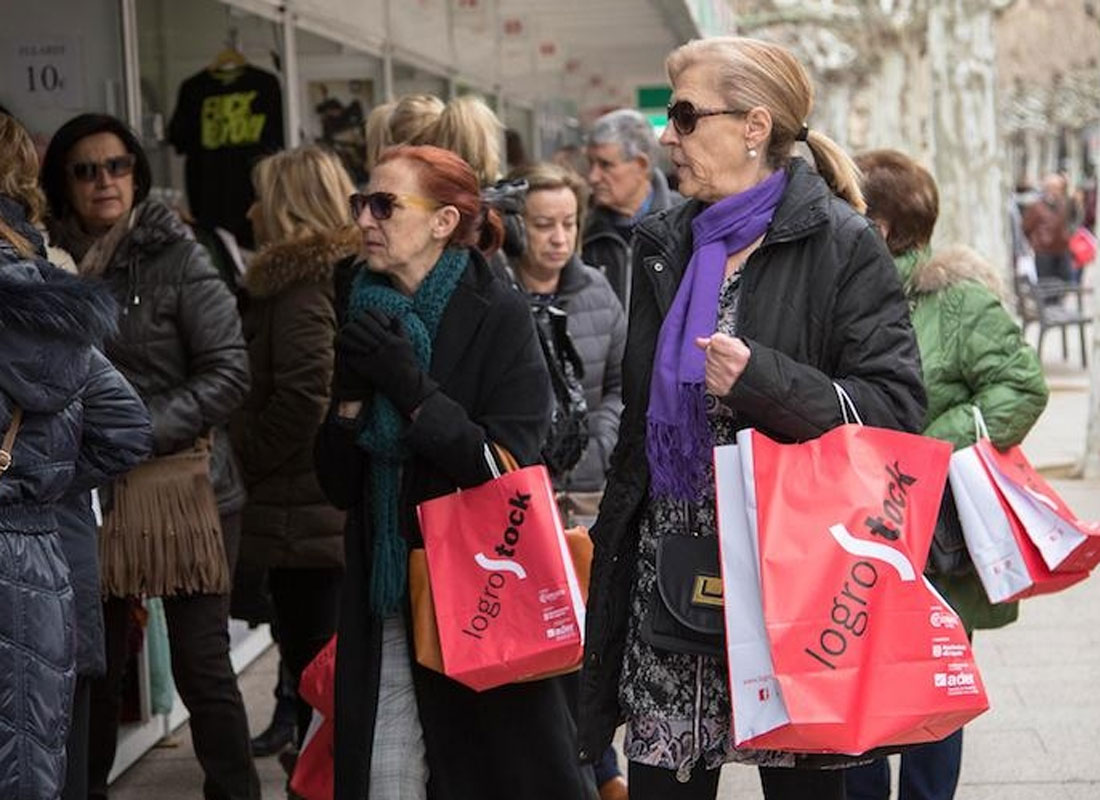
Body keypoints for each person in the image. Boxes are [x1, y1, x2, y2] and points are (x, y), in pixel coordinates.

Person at [578, 36, 926, 800]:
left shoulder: (840, 242)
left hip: (788, 584)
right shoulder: (663, 243)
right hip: (669, 573)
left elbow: (897, 412)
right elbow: (642, 421)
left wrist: (761, 378)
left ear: (753, 125)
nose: (668, 134)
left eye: (684, 114)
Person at [315, 144, 596, 799]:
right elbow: (335, 483)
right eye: (362, 203)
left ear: (443, 222)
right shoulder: (362, 310)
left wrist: (410, 389)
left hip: (481, 592)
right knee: (386, 781)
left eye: (384, 205)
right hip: (387, 592)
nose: (365, 219)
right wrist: (352, 401)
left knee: (495, 778)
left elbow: (505, 465)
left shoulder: (497, 311)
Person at [40, 113, 259, 800]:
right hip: (95, 495)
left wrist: (131, 430)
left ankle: (235, 792)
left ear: (137, 173)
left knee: (202, 665)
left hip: (188, 487)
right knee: (96, 668)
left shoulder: (181, 253)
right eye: (86, 169)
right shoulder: (46, 265)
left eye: (117, 166)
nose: (104, 181)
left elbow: (228, 372)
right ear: (63, 183)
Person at [844, 150, 1048, 800]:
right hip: (856, 527)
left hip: (935, 531)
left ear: (877, 226)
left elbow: (1021, 387)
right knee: (856, 676)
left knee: (935, 675)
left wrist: (924, 448)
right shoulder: (843, 294)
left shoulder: (956, 302)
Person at [0, 114, 151, 800]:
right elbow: (124, 428)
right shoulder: (49, 300)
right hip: (37, 552)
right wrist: (43, 478)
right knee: (32, 753)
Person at [230, 146, 359, 754]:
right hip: (308, 511)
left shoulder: (300, 288)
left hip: (303, 512)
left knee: (317, 671)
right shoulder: (319, 280)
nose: (251, 210)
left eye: (261, 196)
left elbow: (305, 395)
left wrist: (244, 456)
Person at [507, 162, 628, 800]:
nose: (558, 238)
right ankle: (582, 773)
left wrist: (601, 442)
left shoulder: (597, 291)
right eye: (543, 224)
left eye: (569, 223)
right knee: (537, 643)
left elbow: (617, 386)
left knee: (588, 639)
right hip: (517, 501)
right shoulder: (499, 294)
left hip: (585, 493)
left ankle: (599, 766)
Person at [582, 108, 680, 307]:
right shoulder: (580, 227)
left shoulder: (683, 223)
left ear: (641, 165)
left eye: (605, 165)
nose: (593, 177)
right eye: (590, 164)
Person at [1022, 173, 1073, 285]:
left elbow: (1072, 218)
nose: (1056, 192)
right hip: (1043, 252)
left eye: (1059, 189)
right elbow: (1026, 228)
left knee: (1063, 282)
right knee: (1045, 284)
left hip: (1061, 250)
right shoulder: (1036, 207)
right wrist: (1037, 241)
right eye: (1053, 188)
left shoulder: (1063, 205)